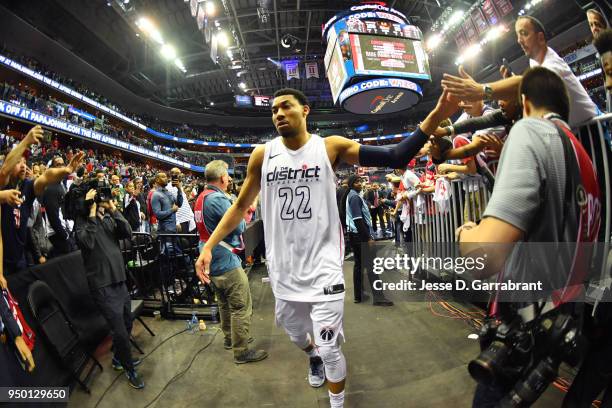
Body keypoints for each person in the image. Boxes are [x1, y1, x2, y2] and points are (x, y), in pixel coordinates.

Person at [195, 87, 457, 408]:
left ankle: (337, 402)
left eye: (286, 106)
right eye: (274, 109)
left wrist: (432, 120)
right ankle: (311, 356)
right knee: (297, 337)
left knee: (331, 347)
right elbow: (239, 207)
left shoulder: (329, 147)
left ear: (305, 110)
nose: (278, 113)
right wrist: (208, 245)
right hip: (284, 271)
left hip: (324, 269)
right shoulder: (263, 155)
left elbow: (395, 157)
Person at [456, 67, 601, 407]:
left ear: (524, 102)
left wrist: (466, 232)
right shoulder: (583, 155)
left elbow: (485, 255)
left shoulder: (530, 131)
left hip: (524, 321)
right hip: (561, 317)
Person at [441, 16, 599, 127]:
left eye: (524, 33)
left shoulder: (552, 64)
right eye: (517, 35)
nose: (519, 40)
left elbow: (525, 84)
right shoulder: (534, 61)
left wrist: (482, 90)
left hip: (591, 129)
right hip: (573, 131)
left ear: (541, 38)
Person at [193, 160, 267, 364]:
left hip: (211, 258)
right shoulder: (217, 198)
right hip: (224, 259)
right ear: (223, 178)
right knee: (240, 305)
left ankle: (230, 338)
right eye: (228, 175)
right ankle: (241, 350)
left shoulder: (202, 197)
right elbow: (240, 225)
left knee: (224, 302)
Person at [75, 189, 145, 389]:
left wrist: (113, 209)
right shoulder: (83, 224)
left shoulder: (106, 220)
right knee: (120, 332)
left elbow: (128, 232)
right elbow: (87, 243)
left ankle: (118, 360)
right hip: (102, 285)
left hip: (119, 280)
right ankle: (129, 369)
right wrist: (90, 212)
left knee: (127, 321)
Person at [0, 125, 84, 275]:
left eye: (25, 162)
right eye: (18, 162)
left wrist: (66, 170)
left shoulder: (27, 186)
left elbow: (46, 176)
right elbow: (5, 170)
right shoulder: (3, 185)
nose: (23, 166)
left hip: (19, 258)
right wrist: (26, 141)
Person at [342, 175, 393, 306]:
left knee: (359, 265)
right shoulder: (354, 197)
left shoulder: (353, 195)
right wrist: (368, 238)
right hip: (360, 236)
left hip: (355, 235)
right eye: (357, 182)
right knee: (371, 266)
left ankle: (359, 295)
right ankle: (378, 297)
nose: (360, 184)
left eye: (361, 181)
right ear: (352, 184)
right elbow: (358, 220)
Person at [166, 168, 195, 233]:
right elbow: (170, 206)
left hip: (187, 218)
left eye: (179, 174)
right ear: (171, 175)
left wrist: (191, 215)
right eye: (176, 174)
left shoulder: (179, 186)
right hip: (180, 220)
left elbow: (185, 202)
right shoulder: (168, 188)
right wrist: (176, 222)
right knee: (183, 242)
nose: (178, 175)